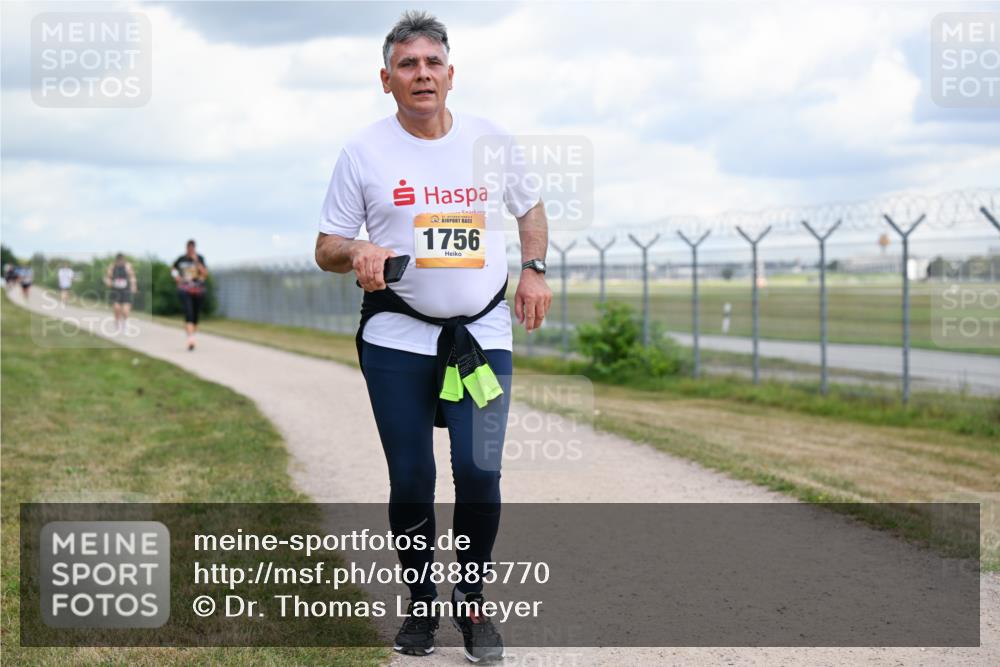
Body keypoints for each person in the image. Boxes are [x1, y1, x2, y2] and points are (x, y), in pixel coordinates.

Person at [315, 11, 551, 663]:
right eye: (408, 65)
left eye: (433, 63)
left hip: (481, 332)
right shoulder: (363, 151)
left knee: (479, 472)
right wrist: (357, 248)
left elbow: (529, 207)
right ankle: (421, 604)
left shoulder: (490, 141)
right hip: (397, 336)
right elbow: (326, 246)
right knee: (413, 477)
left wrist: (532, 270)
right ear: (386, 79)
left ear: (451, 73)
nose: (422, 74)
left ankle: (474, 608)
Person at [171, 240, 208, 351]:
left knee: (195, 316)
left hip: (198, 289)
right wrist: (176, 277)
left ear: (194, 248)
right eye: (189, 248)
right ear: (186, 248)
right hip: (185, 288)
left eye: (192, 248)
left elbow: (205, 273)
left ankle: (191, 336)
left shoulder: (199, 258)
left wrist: (196, 262)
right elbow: (173, 269)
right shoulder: (181, 259)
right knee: (189, 312)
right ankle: (191, 339)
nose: (190, 250)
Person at [104, 254, 137, 329]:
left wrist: (134, 285)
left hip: (126, 290)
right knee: (117, 308)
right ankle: (117, 321)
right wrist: (108, 282)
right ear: (116, 260)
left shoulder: (128, 266)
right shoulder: (112, 266)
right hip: (116, 290)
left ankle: (125, 322)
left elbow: (132, 276)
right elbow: (108, 277)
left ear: (124, 260)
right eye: (119, 261)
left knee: (125, 310)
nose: (120, 262)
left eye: (122, 261)